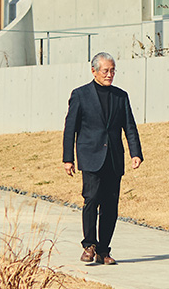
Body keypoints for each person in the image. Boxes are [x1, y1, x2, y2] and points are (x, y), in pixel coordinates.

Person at [63, 52, 143, 266]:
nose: (110, 75)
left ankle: (103, 250)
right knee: (91, 200)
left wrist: (136, 153)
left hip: (114, 158)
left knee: (110, 206)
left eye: (113, 71)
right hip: (90, 157)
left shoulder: (121, 96)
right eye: (106, 71)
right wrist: (68, 158)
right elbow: (70, 128)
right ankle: (89, 245)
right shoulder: (80, 94)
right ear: (94, 71)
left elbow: (130, 126)